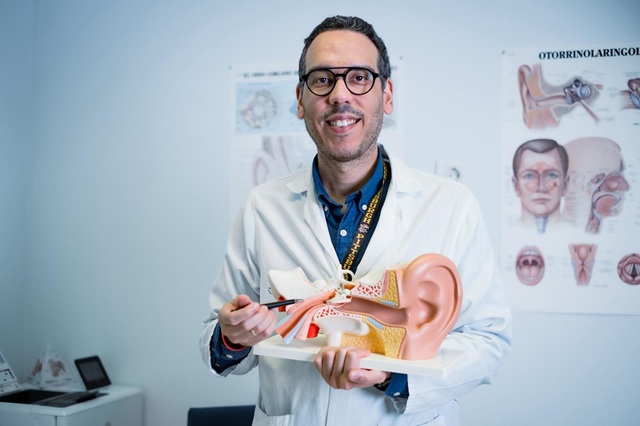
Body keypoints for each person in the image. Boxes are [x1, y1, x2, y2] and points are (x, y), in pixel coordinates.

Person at [200, 15, 511, 426]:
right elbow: (218, 335)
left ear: (387, 95)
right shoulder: (263, 206)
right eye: (322, 80)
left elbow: (488, 341)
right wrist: (232, 336)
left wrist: (390, 376)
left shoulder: (452, 206)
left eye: (359, 78)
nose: (340, 95)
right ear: (300, 99)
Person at [511, 138, 569, 234]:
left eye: (551, 175)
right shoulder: (508, 235)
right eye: (529, 176)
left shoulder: (579, 234)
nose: (541, 188)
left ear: (565, 185)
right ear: (516, 186)